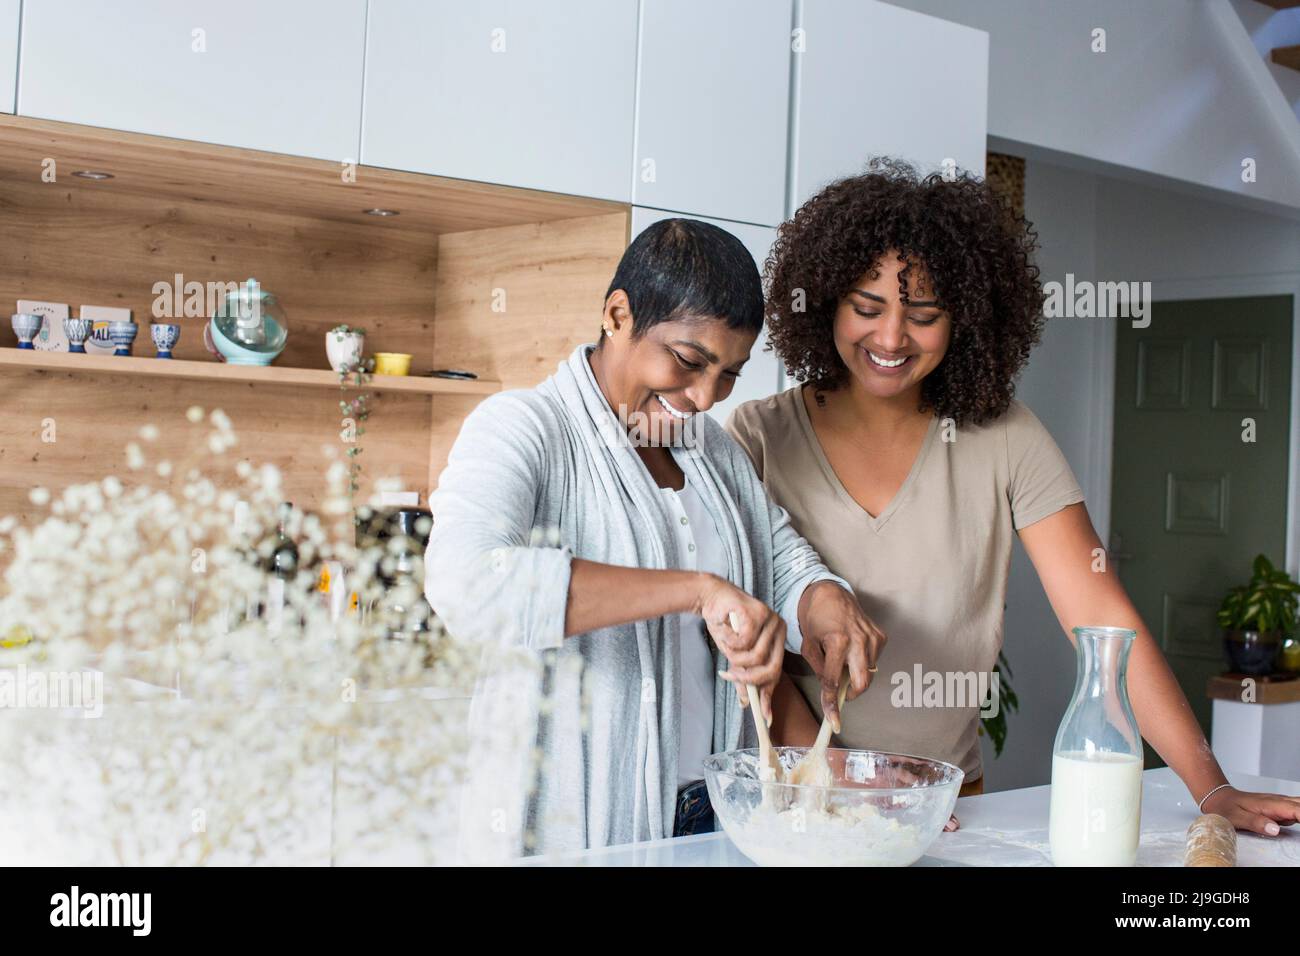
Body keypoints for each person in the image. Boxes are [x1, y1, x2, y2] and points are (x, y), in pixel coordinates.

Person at [727, 157, 1300, 837]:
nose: (890, 338)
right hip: (802, 799)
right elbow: (743, 644)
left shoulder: (1005, 437)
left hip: (947, 805)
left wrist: (1212, 787)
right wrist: (849, 782)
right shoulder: (759, 438)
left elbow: (1103, 622)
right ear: (825, 302)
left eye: (924, 314)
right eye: (867, 308)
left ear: (965, 318)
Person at [425, 218, 883, 859]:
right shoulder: (523, 428)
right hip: (567, 821)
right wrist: (695, 591)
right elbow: (468, 583)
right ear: (618, 314)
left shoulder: (712, 450)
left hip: (716, 810)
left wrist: (823, 599)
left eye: (729, 374)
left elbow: (778, 557)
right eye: (689, 361)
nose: (703, 396)